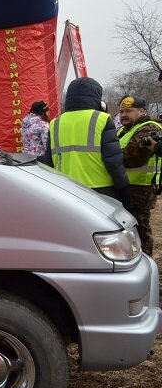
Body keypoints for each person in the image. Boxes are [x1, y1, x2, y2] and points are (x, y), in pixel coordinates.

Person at [41, 77, 130, 210]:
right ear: (96, 96)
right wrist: (123, 188)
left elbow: (49, 161)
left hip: (66, 188)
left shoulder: (55, 123)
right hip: (100, 189)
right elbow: (113, 161)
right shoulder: (102, 119)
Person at [116, 94, 162, 255]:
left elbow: (132, 157)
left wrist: (108, 156)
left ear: (141, 111)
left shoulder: (149, 128)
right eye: (121, 111)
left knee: (140, 228)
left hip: (141, 188)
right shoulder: (124, 130)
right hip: (127, 186)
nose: (123, 115)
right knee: (128, 229)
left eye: (128, 111)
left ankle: (146, 261)